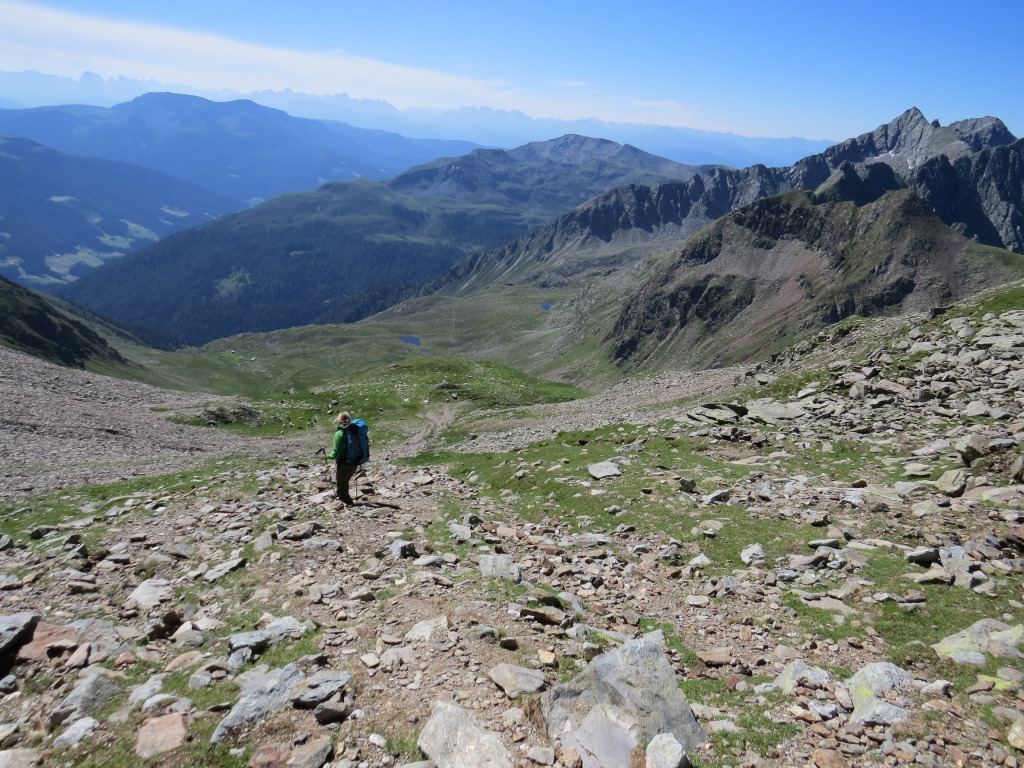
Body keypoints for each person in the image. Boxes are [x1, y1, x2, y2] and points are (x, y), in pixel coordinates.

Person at [326, 411, 369, 505]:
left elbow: (336, 453)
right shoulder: (354, 431)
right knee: (345, 483)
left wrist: (327, 456)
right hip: (355, 462)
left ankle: (347, 505)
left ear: (338, 420)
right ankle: (347, 503)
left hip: (344, 463)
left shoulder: (340, 433)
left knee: (341, 486)